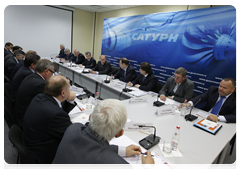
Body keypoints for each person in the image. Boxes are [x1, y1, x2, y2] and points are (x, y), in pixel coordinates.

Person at [51, 99, 155, 169]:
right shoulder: (119, 167)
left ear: (90, 116)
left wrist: (122, 150)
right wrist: (148, 166)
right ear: (119, 133)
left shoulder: (73, 129)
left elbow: (92, 145)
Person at [22, 75, 76, 168]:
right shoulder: (55, 114)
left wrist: (69, 102)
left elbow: (57, 111)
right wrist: (91, 122)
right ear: (63, 93)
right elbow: (73, 135)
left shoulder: (39, 97)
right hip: (44, 156)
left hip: (32, 146)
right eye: (68, 89)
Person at [14, 59, 54, 129]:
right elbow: (51, 103)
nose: (52, 75)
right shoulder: (41, 84)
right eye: (52, 72)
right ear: (46, 71)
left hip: (20, 114)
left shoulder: (31, 76)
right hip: (26, 121)